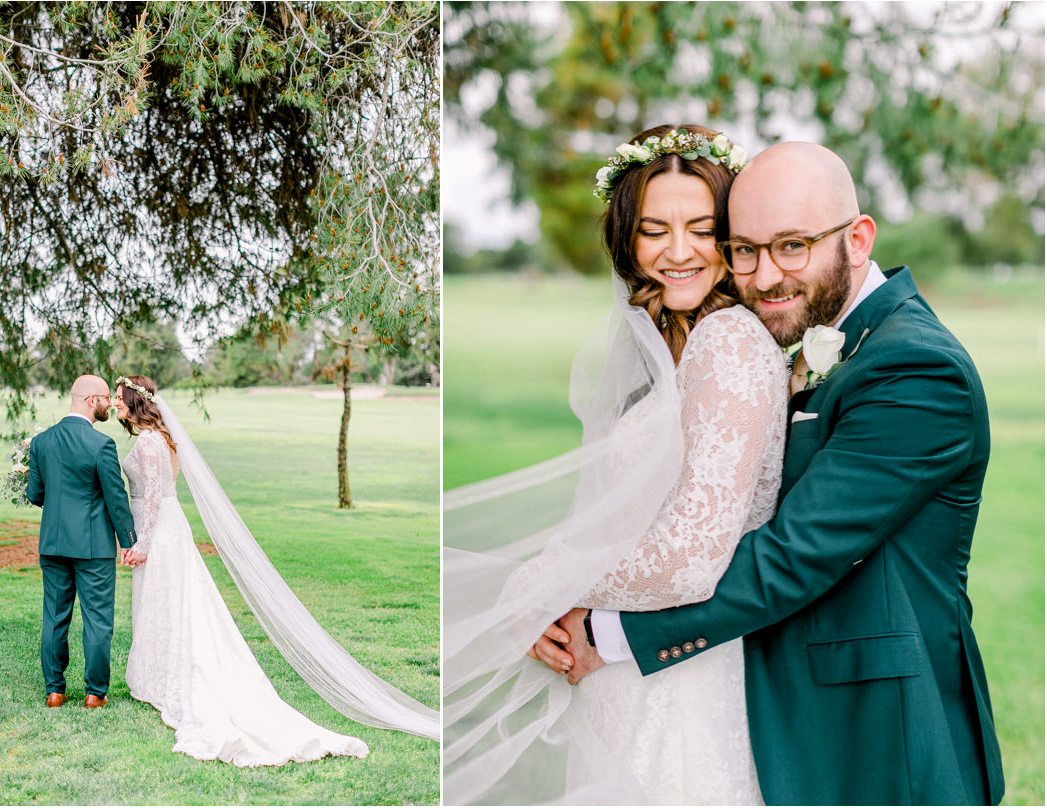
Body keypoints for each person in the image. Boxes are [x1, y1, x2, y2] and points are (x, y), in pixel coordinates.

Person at [534, 142, 1004, 805]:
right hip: (785, 707)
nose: (763, 276)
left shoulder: (916, 369)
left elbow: (794, 555)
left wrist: (606, 631)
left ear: (858, 238)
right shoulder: (814, 339)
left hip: (883, 732)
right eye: (745, 250)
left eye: (791, 246)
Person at [443, 125, 787, 804]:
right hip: (623, 670)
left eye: (701, 228)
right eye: (654, 230)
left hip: (681, 679)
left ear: (733, 236)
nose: (679, 252)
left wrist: (544, 586)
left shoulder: (729, 342)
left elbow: (691, 556)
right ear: (627, 240)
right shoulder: (670, 347)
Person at [112, 375, 437, 767]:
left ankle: (165, 679)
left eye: (118, 397)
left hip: (159, 532)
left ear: (134, 400)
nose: (115, 403)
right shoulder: (164, 440)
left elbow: (150, 501)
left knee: (163, 602)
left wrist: (140, 543)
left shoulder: (148, 442)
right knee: (169, 603)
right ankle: (158, 675)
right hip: (171, 527)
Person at [26, 374, 138, 709]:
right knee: (98, 620)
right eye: (106, 397)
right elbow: (116, 499)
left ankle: (55, 691)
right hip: (93, 548)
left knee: (55, 617)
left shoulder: (41, 442)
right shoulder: (101, 445)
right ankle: (94, 693)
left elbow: (34, 494)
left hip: (54, 544)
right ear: (91, 400)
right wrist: (128, 539)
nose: (110, 404)